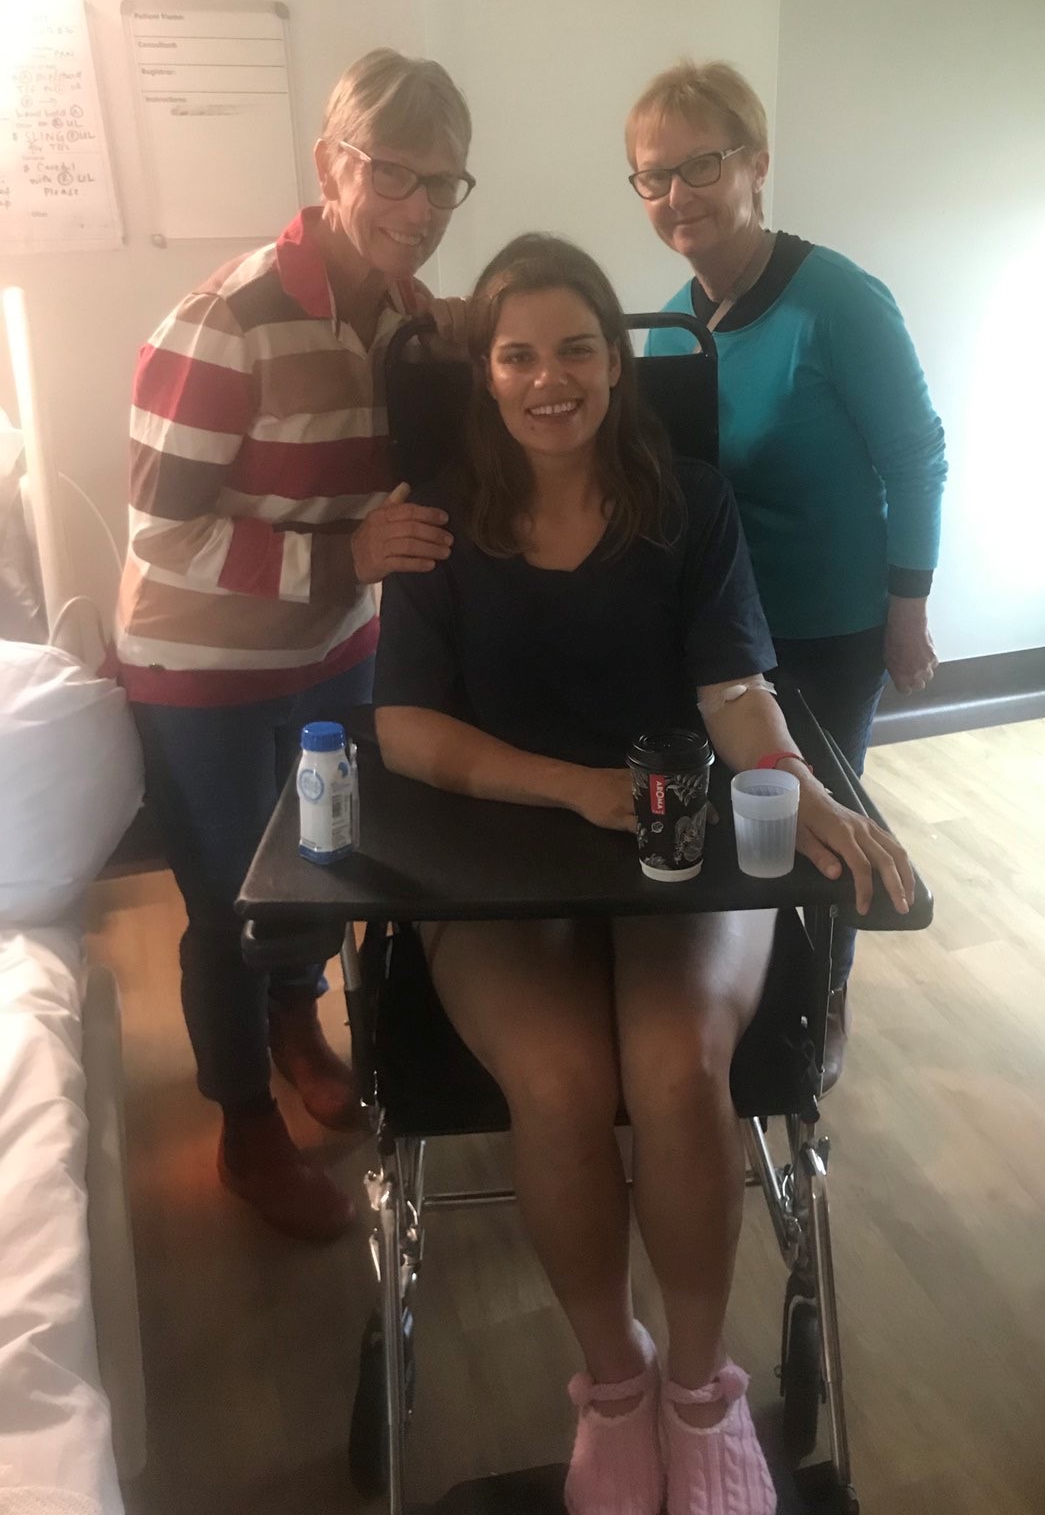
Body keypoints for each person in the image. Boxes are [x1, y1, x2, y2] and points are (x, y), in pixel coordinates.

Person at [373, 234, 913, 1515]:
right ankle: (613, 1387)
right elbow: (407, 731)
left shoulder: (687, 499)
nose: (548, 379)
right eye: (518, 355)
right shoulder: (439, 516)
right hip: (509, 852)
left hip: (677, 845)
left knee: (677, 1068)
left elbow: (733, 686)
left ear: (618, 364)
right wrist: (577, 790)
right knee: (560, 1080)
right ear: (485, 373)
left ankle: (697, 1389)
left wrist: (806, 786)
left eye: (576, 349)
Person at [112, 49, 474, 1242]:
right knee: (229, 902)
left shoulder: (407, 317)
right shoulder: (227, 318)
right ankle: (243, 1126)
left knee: (323, 862)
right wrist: (342, 565)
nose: (420, 210)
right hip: (201, 667)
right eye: (395, 175)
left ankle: (296, 1024)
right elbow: (162, 532)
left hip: (334, 646)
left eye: (446, 186)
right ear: (332, 164)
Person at [625, 60, 948, 1087]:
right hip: (724, 631)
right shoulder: (678, 316)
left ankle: (822, 997)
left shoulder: (837, 299)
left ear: (756, 165)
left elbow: (918, 457)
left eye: (700, 166)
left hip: (826, 625)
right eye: (652, 176)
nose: (677, 195)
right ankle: (740, 991)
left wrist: (909, 608)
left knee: (823, 825)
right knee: (744, 818)